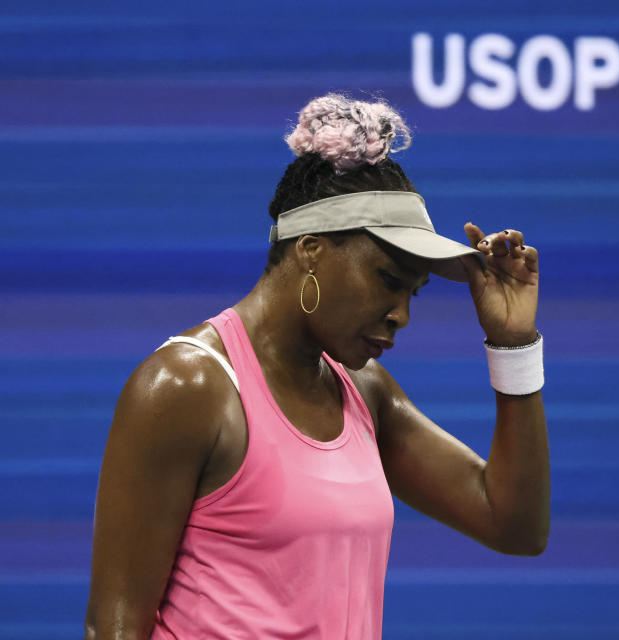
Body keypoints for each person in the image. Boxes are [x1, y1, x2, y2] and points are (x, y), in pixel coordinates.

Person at [83, 93, 549, 639]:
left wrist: (513, 345)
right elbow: (112, 628)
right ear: (310, 250)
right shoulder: (187, 386)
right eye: (387, 280)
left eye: (414, 295)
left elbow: (514, 525)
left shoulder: (364, 389)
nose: (400, 314)